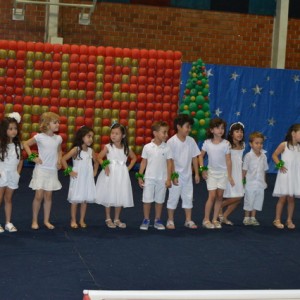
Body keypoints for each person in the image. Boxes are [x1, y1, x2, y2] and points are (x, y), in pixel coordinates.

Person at [23, 112, 62, 230]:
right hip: (41, 169)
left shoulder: (58, 138)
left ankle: (46, 220)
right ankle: (34, 220)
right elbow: (25, 144)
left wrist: (59, 161)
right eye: (55, 122)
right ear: (47, 124)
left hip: (52, 170)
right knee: (39, 195)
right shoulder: (39, 137)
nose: (58, 125)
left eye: (58, 123)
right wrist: (32, 157)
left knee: (48, 196)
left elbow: (59, 151)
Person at [95, 122, 136, 229]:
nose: (113, 135)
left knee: (120, 195)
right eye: (112, 133)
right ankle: (108, 218)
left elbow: (134, 158)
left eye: (116, 133)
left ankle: (117, 218)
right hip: (110, 174)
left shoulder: (126, 148)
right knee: (109, 194)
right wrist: (105, 166)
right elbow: (99, 157)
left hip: (121, 175)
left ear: (123, 136)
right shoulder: (108, 147)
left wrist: (128, 168)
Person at [166, 114, 200, 230]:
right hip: (176, 176)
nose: (189, 129)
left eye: (190, 127)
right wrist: (173, 175)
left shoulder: (191, 141)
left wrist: (196, 173)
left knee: (188, 197)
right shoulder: (171, 142)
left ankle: (188, 220)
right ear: (179, 127)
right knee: (173, 198)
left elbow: (195, 157)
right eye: (187, 127)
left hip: (188, 176)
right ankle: (170, 220)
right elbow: (170, 160)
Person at [199, 118, 234, 229]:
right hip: (211, 174)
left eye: (222, 128)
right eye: (217, 128)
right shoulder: (207, 143)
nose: (220, 130)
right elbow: (200, 156)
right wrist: (202, 169)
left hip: (223, 174)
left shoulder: (226, 144)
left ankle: (214, 219)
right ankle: (206, 219)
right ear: (212, 130)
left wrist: (229, 175)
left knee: (219, 197)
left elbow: (228, 160)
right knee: (212, 195)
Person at [137, 121, 172, 230]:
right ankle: (146, 219)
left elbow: (169, 163)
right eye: (164, 132)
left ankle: (157, 219)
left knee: (160, 200)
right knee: (147, 199)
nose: (166, 135)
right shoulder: (147, 147)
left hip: (162, 179)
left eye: (167, 132)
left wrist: (169, 178)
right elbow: (143, 162)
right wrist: (140, 176)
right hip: (149, 178)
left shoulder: (167, 148)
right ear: (155, 133)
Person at [61, 126, 99, 229]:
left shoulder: (91, 151)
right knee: (75, 199)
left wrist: (94, 172)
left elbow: (96, 162)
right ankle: (73, 220)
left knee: (84, 200)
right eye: (88, 136)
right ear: (82, 137)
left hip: (87, 179)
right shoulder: (76, 150)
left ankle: (82, 219)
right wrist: (69, 171)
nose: (91, 139)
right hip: (77, 178)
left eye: (92, 137)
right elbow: (63, 159)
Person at [272, 124, 300, 229]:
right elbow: (274, 155)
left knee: (291, 199)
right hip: (285, 175)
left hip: (294, 176)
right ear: (293, 133)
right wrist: (280, 165)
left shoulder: (299, 147)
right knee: (282, 198)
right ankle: (277, 219)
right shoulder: (284, 145)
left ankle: (289, 220)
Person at [0, 112, 23, 233]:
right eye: (10, 129)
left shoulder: (18, 144)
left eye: (15, 128)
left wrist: (18, 173)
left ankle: (8, 222)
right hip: (1, 174)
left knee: (8, 199)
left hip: (13, 174)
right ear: (4, 130)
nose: (13, 131)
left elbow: (21, 160)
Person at [219, 122, 245, 225]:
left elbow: (240, 160)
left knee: (238, 197)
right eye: (237, 131)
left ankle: (224, 216)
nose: (239, 134)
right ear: (231, 133)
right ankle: (219, 206)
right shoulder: (227, 144)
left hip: (238, 174)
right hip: (228, 173)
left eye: (241, 132)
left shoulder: (243, 144)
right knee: (235, 196)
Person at [242, 131, 268, 226]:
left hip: (260, 184)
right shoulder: (248, 156)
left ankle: (253, 217)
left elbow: (264, 170)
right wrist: (243, 182)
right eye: (256, 143)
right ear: (251, 144)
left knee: (257, 200)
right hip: (250, 184)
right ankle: (246, 217)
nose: (259, 145)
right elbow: (244, 170)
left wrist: (264, 181)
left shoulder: (264, 156)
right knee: (249, 200)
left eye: (261, 143)